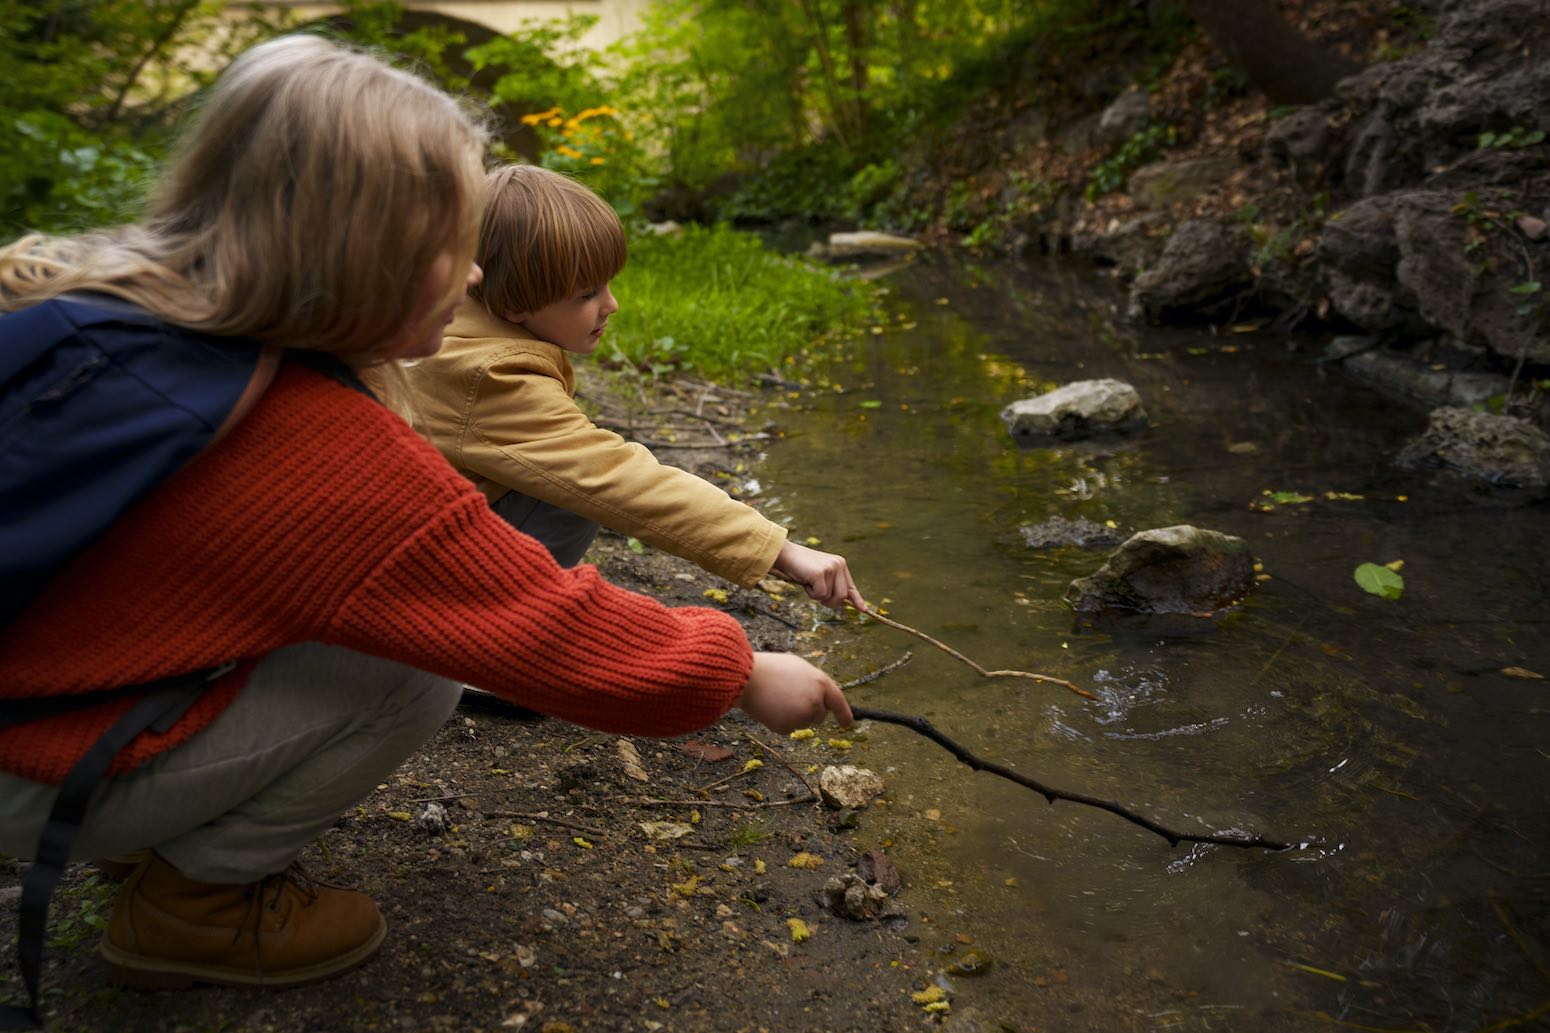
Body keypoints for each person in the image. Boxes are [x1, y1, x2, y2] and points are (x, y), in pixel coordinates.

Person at [0, 35, 850, 995]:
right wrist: (736, 669)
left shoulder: (73, 291)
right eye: (456, 247)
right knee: (410, 673)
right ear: (372, 258)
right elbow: (541, 622)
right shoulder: (318, 446)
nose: (479, 279)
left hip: (53, 682)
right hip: (28, 760)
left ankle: (156, 818)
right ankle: (190, 908)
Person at [403, 164, 868, 610]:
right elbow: (616, 480)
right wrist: (777, 550)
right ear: (514, 303)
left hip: (410, 545)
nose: (612, 304)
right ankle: (500, 627)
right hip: (410, 582)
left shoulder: (452, 326)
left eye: (607, 285)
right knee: (570, 496)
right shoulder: (488, 375)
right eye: (586, 294)